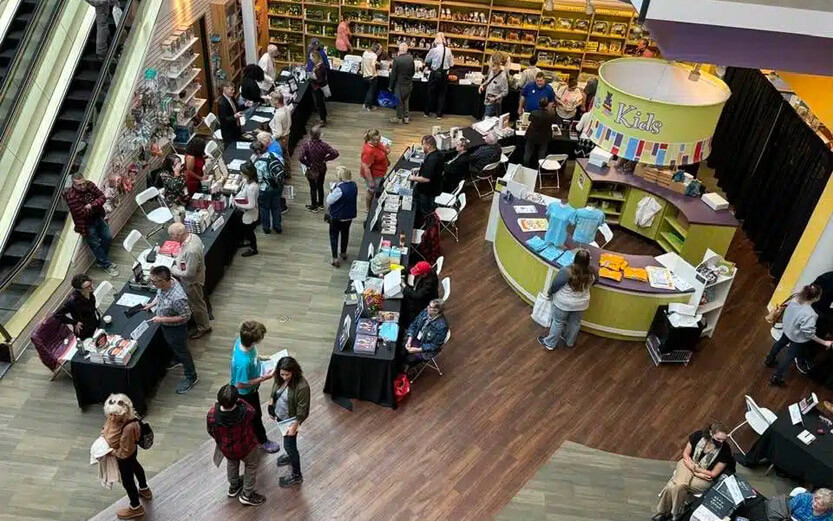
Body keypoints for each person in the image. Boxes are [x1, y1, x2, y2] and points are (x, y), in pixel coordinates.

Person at [653, 421, 734, 521]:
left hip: (704, 477)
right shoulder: (698, 436)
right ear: (711, 433)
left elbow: (713, 473)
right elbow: (686, 454)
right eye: (718, 439)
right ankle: (676, 514)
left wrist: (695, 470)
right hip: (688, 466)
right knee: (679, 485)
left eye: (723, 439)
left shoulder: (725, 451)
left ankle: (663, 513)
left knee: (674, 487)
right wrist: (694, 470)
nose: (721, 442)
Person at [206, 385, 266, 506]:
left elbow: (210, 431)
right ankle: (247, 495)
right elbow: (252, 411)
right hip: (246, 447)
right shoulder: (245, 412)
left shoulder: (212, 414)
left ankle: (234, 486)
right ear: (236, 399)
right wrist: (239, 400)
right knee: (251, 466)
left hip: (227, 448)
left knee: (232, 463)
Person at [143, 266, 198, 393]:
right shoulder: (165, 285)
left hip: (176, 329)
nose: (152, 283)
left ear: (163, 281)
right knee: (175, 347)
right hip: (166, 325)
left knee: (183, 351)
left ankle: (191, 376)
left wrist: (162, 319)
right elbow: (160, 295)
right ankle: (177, 358)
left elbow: (185, 316)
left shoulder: (178, 298)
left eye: (154, 281)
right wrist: (152, 304)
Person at [765, 284, 833, 386]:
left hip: (787, 329)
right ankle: (776, 377)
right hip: (798, 338)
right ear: (816, 298)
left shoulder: (794, 298)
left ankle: (769, 360)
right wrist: (825, 342)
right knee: (789, 357)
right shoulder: (811, 315)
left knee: (779, 344)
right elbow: (810, 334)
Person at [229, 321, 279, 453]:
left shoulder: (241, 341)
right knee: (255, 417)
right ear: (253, 341)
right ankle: (262, 441)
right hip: (246, 393)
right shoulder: (243, 362)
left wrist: (264, 358)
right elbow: (240, 384)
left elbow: (254, 356)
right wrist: (264, 378)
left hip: (251, 387)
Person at [101, 394, 152, 520]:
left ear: (123, 413)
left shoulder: (129, 428)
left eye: (115, 415)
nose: (111, 418)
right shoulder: (118, 415)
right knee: (135, 465)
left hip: (125, 456)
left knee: (127, 480)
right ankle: (144, 489)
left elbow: (124, 452)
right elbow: (107, 427)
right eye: (110, 415)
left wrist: (110, 452)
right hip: (130, 453)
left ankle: (136, 507)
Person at [537, 249, 597, 350]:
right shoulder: (593, 272)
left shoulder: (567, 271)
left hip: (563, 303)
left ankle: (550, 343)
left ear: (575, 259)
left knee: (558, 322)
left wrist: (549, 293)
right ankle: (569, 342)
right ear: (588, 261)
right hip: (581, 303)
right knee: (575, 322)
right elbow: (595, 282)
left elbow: (556, 285)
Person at [267, 356, 310, 489]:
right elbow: (275, 389)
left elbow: (302, 410)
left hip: (290, 421)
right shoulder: (279, 377)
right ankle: (290, 456)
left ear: (294, 372)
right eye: (282, 374)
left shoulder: (302, 387)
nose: (284, 377)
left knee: (290, 446)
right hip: (281, 417)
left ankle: (297, 475)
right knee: (288, 444)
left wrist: (295, 426)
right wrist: (271, 405)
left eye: (287, 374)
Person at [65, 172, 118, 276]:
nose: (83, 186)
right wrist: (95, 205)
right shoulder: (70, 196)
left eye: (83, 183)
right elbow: (81, 213)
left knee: (107, 238)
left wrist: (92, 205)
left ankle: (102, 260)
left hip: (99, 216)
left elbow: (102, 197)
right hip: (86, 223)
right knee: (95, 245)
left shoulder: (89, 185)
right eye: (79, 185)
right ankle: (106, 264)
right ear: (73, 184)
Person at [168, 223, 211, 340]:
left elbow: (189, 273)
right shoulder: (192, 237)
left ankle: (203, 327)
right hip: (193, 277)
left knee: (196, 305)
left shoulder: (191, 250)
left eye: (171, 236)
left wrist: (172, 269)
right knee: (197, 303)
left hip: (192, 282)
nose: (171, 238)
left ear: (178, 235)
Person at [299, 124, 339, 212]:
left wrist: (308, 164)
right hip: (322, 167)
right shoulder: (324, 145)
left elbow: (300, 157)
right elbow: (335, 153)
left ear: (310, 135)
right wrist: (326, 159)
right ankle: (320, 203)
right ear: (320, 135)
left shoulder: (306, 145)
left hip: (312, 168)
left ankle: (314, 206)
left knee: (313, 187)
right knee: (320, 185)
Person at [325, 166, 357, 267]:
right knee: (345, 234)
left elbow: (329, 200)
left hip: (338, 216)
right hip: (349, 215)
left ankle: (335, 258)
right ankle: (343, 252)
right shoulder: (354, 185)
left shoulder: (339, 189)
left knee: (334, 236)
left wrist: (332, 189)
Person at [251, 139, 285, 235]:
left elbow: (260, 179)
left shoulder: (258, 163)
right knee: (276, 207)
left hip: (265, 189)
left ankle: (266, 228)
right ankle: (277, 227)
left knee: (264, 208)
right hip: (278, 186)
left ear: (255, 152)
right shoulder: (276, 155)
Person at [54, 274, 100, 340]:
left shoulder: (90, 292)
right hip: (85, 330)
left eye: (91, 284)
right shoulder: (73, 301)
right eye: (87, 287)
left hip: (95, 321)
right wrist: (74, 322)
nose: (91, 287)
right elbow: (58, 315)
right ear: (80, 289)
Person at [409, 135, 443, 224]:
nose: (422, 146)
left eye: (423, 144)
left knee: (426, 211)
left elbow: (426, 179)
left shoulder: (432, 159)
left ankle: (427, 227)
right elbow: (430, 170)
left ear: (429, 146)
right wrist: (419, 169)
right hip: (433, 187)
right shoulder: (438, 153)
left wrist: (413, 178)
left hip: (427, 191)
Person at [404, 299, 449, 366]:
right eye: (429, 305)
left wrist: (417, 350)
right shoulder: (426, 311)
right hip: (416, 337)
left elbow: (434, 345)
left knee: (408, 359)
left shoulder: (442, 327)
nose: (428, 308)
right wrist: (409, 339)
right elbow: (414, 324)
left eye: (431, 307)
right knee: (400, 349)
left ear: (437, 311)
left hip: (425, 349)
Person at [360, 128, 390, 213]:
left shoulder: (377, 144)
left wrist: (387, 151)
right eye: (377, 140)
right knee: (370, 191)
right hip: (374, 175)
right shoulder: (369, 151)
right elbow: (366, 167)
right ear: (371, 140)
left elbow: (383, 151)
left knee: (377, 188)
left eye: (379, 139)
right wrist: (371, 181)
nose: (379, 141)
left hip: (380, 173)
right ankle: (368, 209)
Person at [423, 33, 453, 119]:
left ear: (436, 40)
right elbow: (451, 64)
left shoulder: (434, 50)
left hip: (434, 73)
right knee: (442, 94)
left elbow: (427, 60)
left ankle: (427, 112)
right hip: (444, 74)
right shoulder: (448, 50)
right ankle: (439, 114)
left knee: (430, 93)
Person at [233, 162, 260, 257]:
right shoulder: (249, 182)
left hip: (249, 213)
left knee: (250, 232)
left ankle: (253, 249)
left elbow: (251, 205)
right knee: (247, 230)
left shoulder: (252, 187)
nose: (241, 173)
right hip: (247, 212)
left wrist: (237, 203)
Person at [402, 260, 439, 326]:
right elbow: (411, 269)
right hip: (419, 290)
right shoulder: (427, 270)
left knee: (405, 304)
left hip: (424, 302)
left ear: (424, 274)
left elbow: (417, 295)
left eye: (418, 274)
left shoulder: (429, 283)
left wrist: (404, 286)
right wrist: (401, 270)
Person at [524, 97, 556, 168]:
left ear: (539, 104)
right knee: (542, 153)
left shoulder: (534, 113)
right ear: (547, 105)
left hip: (532, 136)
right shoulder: (551, 114)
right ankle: (540, 168)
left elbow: (529, 119)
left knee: (528, 153)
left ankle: (525, 167)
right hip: (545, 136)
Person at [389, 42, 415, 124]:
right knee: (406, 101)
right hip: (408, 83)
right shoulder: (411, 58)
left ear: (399, 50)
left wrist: (390, 86)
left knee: (399, 101)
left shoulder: (397, 59)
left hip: (399, 84)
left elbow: (393, 74)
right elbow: (413, 71)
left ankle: (400, 118)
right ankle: (406, 117)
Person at [160, 154, 190, 220]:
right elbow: (175, 186)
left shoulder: (181, 170)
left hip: (184, 195)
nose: (180, 164)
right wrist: (176, 175)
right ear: (171, 166)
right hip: (174, 199)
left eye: (180, 162)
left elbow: (185, 183)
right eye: (177, 163)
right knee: (180, 214)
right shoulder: (165, 175)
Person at [269, 91, 292, 174]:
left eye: (271, 99)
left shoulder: (278, 115)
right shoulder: (286, 108)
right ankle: (287, 172)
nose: (270, 101)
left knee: (280, 156)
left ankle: (284, 173)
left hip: (281, 138)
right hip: (286, 134)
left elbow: (278, 133)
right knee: (286, 154)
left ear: (276, 101)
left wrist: (270, 137)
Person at [310, 51, 328, 126]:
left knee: (320, 103)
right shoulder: (318, 65)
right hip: (318, 87)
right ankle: (323, 117)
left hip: (319, 88)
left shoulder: (320, 67)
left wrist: (312, 77)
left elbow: (320, 80)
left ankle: (322, 119)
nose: (311, 59)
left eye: (312, 57)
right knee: (320, 103)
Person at [361, 43, 380, 111]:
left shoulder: (365, 52)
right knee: (371, 91)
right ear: (377, 50)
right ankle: (369, 107)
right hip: (371, 76)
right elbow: (372, 65)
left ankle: (365, 104)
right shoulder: (374, 55)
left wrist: (362, 71)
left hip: (365, 75)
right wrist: (374, 73)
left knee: (368, 91)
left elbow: (362, 63)